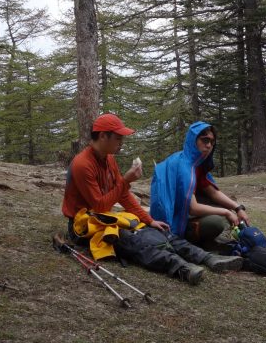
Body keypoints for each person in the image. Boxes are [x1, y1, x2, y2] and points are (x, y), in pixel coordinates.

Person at [61, 113, 241, 284]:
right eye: (118, 138)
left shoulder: (109, 159)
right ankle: (182, 268)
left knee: (159, 230)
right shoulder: (82, 164)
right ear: (102, 136)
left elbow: (123, 196)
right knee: (134, 240)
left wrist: (149, 220)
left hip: (104, 217)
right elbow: (99, 205)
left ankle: (207, 258)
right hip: (84, 226)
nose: (121, 143)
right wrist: (126, 180)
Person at [149, 122, 250, 250]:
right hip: (174, 224)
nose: (209, 146)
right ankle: (197, 241)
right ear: (193, 140)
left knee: (226, 210)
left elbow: (213, 192)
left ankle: (208, 239)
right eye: (205, 140)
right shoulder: (183, 166)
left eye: (212, 142)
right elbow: (193, 208)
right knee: (218, 221)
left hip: (185, 216)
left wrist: (238, 208)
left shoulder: (195, 165)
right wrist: (226, 212)